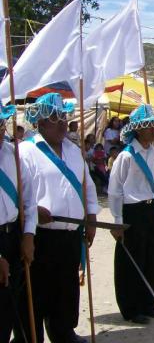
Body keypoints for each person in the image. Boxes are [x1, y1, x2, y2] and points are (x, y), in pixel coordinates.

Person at [17, 93, 100, 343]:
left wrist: (92, 216)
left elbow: (88, 187)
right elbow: (18, 193)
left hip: (70, 233)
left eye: (64, 117)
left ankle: (64, 332)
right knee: (38, 291)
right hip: (40, 234)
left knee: (66, 289)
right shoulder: (25, 152)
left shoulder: (74, 151)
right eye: (55, 119)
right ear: (41, 123)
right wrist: (31, 211)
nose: (63, 123)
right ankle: (33, 337)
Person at [108, 104, 154, 324]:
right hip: (131, 212)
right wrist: (117, 221)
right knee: (131, 260)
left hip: (150, 209)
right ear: (138, 129)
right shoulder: (126, 157)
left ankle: (149, 302)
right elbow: (115, 190)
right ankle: (131, 308)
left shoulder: (153, 151)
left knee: (152, 257)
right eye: (149, 126)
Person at [0, 103, 36, 343]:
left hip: (14, 234)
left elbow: (29, 200)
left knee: (13, 306)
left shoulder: (13, 154)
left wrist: (28, 235)